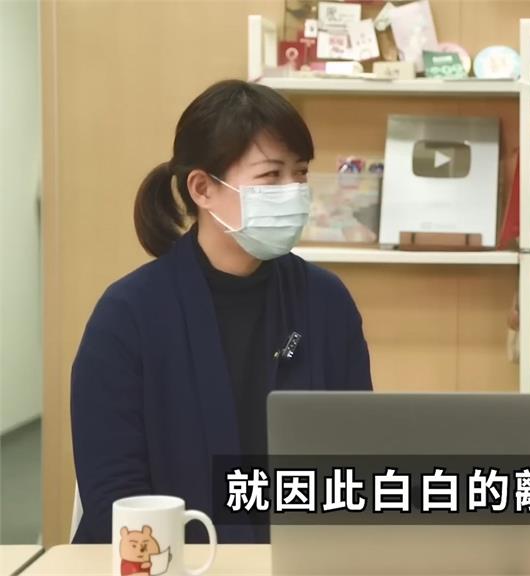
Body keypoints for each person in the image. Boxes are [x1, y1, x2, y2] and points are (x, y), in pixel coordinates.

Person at [71, 80, 372, 544]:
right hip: (167, 562)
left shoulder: (325, 302)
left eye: (300, 174)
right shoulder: (128, 315)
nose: (293, 191)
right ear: (203, 188)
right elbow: (115, 493)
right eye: (271, 176)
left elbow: (355, 463)